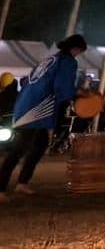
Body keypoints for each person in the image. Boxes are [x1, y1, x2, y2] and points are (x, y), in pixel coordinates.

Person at [0, 34, 87, 202]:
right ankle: (1, 187)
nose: (79, 55)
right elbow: (63, 86)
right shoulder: (67, 61)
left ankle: (22, 183)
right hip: (36, 109)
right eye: (79, 51)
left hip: (26, 104)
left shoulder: (50, 59)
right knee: (19, 148)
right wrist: (77, 94)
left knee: (40, 144)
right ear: (75, 48)